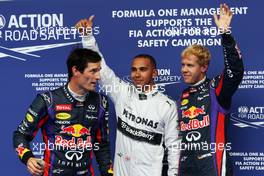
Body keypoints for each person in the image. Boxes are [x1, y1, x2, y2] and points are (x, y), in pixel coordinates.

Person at [76, 16, 181, 176]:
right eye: (134, 69)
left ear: (154, 73)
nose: (137, 74)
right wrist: (88, 37)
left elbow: (174, 145)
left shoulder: (167, 105)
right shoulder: (122, 93)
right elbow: (102, 69)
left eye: (142, 69)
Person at [13, 48, 113, 176]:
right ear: (75, 70)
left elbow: (102, 145)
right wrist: (28, 158)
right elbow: (20, 134)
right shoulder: (48, 100)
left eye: (98, 71)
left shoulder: (100, 102)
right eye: (93, 71)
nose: (98, 77)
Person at [178, 4, 244, 176]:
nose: (184, 69)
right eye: (183, 65)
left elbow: (235, 72)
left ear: (204, 67)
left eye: (190, 65)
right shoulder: (183, 96)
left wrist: (225, 34)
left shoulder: (215, 88)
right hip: (187, 169)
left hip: (214, 167)